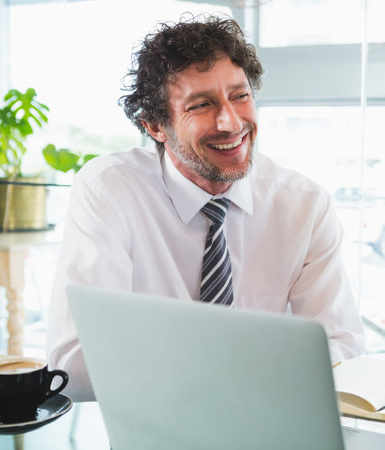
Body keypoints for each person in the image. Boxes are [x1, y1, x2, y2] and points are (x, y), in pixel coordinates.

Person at [47, 14, 365, 401]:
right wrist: (251, 363)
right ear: (155, 127)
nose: (231, 123)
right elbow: (73, 366)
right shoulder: (111, 192)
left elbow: (342, 349)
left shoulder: (304, 205)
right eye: (201, 104)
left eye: (240, 96)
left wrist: (161, 357)